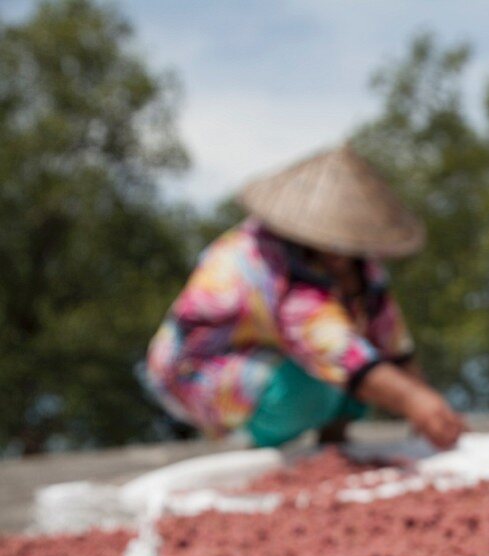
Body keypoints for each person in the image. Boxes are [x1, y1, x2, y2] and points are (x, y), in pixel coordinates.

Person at [144, 144, 465, 450]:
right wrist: (413, 401)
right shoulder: (270, 263)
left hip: (281, 355)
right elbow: (339, 352)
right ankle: (260, 441)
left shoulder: (360, 267)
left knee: (368, 385)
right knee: (317, 390)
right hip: (203, 369)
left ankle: (331, 444)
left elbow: (393, 345)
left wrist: (427, 406)